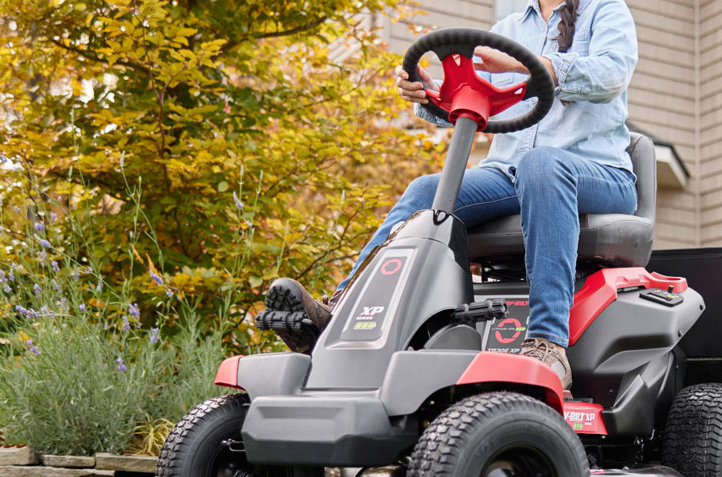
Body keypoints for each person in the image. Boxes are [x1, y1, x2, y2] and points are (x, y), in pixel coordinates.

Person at [259, 0, 638, 390]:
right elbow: (482, 103)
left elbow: (612, 74)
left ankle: (547, 342)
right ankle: (339, 311)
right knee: (425, 189)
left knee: (541, 165)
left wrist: (525, 65)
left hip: (599, 173)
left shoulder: (604, 9)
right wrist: (429, 94)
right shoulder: (510, 27)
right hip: (511, 174)